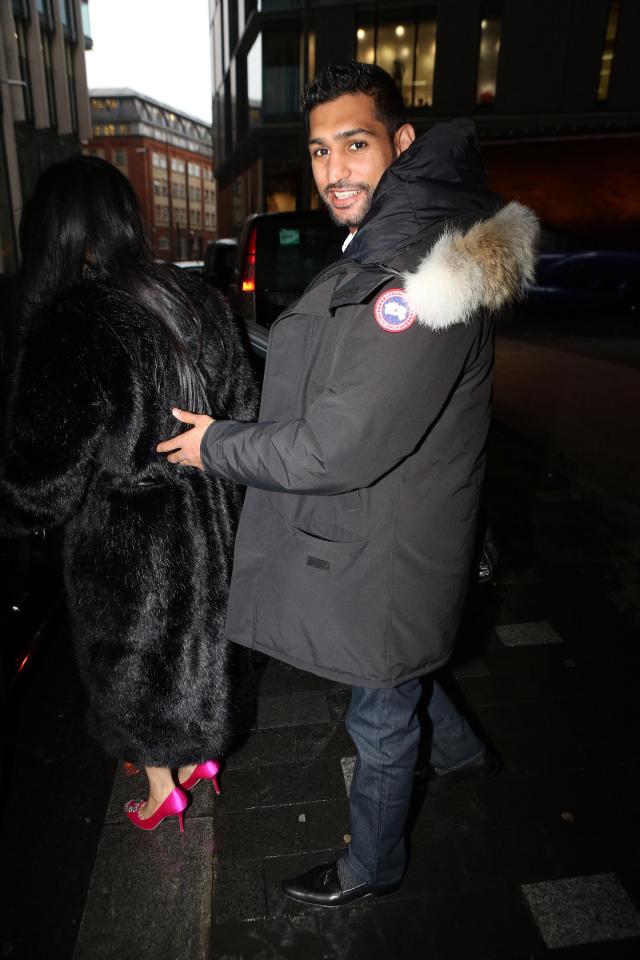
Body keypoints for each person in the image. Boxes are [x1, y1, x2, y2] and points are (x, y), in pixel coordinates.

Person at [157, 62, 538, 902]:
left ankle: (371, 869)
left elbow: (333, 448)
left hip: (390, 541)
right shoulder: (396, 239)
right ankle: (471, 756)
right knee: (394, 672)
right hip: (392, 531)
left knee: (381, 710)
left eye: (356, 145)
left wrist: (216, 445)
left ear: (401, 144)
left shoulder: (415, 274)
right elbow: (343, 366)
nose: (334, 171)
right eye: (322, 150)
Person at [0, 156, 258, 832]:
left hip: (130, 544)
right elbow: (243, 415)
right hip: (214, 524)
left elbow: (42, 482)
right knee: (200, 645)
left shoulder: (71, 322)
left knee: (134, 663)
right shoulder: (196, 298)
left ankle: (161, 785)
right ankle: (197, 756)